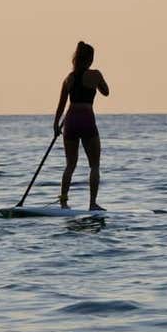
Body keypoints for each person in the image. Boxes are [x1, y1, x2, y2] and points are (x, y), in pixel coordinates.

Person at [54, 41, 110, 210]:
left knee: (70, 164)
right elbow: (106, 92)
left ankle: (64, 203)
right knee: (94, 165)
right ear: (90, 59)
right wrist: (97, 81)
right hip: (86, 119)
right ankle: (92, 204)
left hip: (70, 120)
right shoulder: (95, 75)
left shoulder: (68, 78)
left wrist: (56, 125)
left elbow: (61, 105)